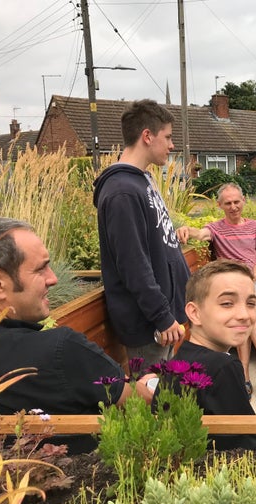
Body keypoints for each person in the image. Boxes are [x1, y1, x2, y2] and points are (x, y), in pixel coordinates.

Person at [0, 218, 156, 415]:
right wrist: (150, 384)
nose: (53, 278)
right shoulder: (62, 352)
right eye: (40, 268)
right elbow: (140, 402)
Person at [93, 99, 190, 367]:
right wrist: (161, 314)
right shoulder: (122, 192)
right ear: (147, 136)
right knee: (154, 401)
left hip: (163, 320)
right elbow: (132, 263)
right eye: (168, 137)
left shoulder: (140, 180)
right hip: (149, 326)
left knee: (170, 397)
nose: (172, 145)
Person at [176, 183, 256, 397]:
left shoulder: (255, 226)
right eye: (228, 203)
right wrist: (187, 230)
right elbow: (201, 234)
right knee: (244, 308)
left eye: (236, 202)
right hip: (230, 285)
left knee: (246, 302)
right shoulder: (215, 228)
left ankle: (244, 376)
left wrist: (249, 280)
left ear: (243, 201)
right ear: (219, 205)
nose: (233, 207)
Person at [156, 260, 256, 415]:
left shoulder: (177, 362)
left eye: (251, 303)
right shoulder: (223, 367)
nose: (244, 315)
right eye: (227, 303)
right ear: (195, 313)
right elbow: (249, 435)